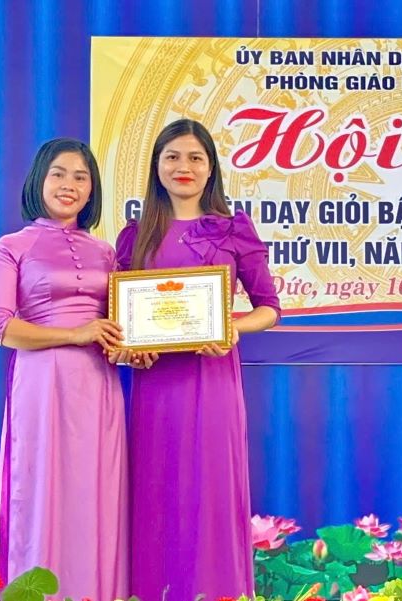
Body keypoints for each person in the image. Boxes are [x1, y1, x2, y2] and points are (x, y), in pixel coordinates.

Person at [113, 119, 280, 600]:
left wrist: (230, 329)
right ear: (156, 167)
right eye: (172, 157)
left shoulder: (233, 229)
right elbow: (122, 322)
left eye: (194, 158)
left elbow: (269, 309)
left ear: (211, 169)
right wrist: (131, 349)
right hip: (155, 388)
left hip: (213, 383)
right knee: (157, 492)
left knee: (210, 492)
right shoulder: (135, 235)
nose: (182, 167)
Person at [0, 139, 127, 601]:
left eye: (81, 177)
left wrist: (132, 348)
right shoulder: (11, 247)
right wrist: (76, 334)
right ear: (39, 181)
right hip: (43, 385)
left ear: (92, 190)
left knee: (98, 494)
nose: (69, 185)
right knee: (42, 492)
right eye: (59, 174)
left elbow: (121, 326)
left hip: (99, 386)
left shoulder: (107, 253)